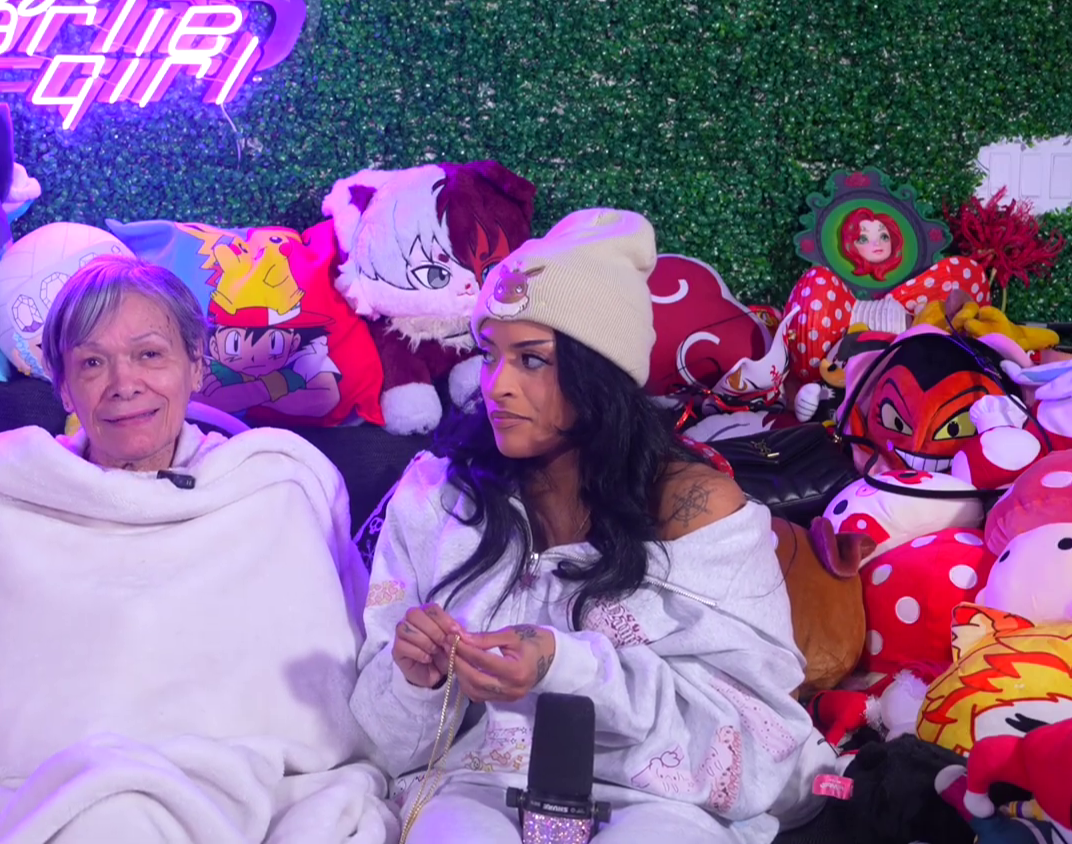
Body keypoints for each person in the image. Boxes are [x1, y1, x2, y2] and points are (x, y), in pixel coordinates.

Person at [0, 256, 395, 843]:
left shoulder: (273, 492)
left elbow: (331, 694)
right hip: (33, 801)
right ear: (63, 385)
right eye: (92, 362)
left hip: (245, 796)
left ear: (195, 365)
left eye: (149, 354)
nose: (124, 383)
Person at [350, 209, 836, 844]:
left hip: (658, 804)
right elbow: (382, 747)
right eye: (490, 355)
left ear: (600, 372)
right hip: (474, 788)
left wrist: (568, 667)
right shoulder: (436, 499)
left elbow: (757, 744)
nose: (496, 386)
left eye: (532, 360)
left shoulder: (697, 511)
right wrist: (419, 683)